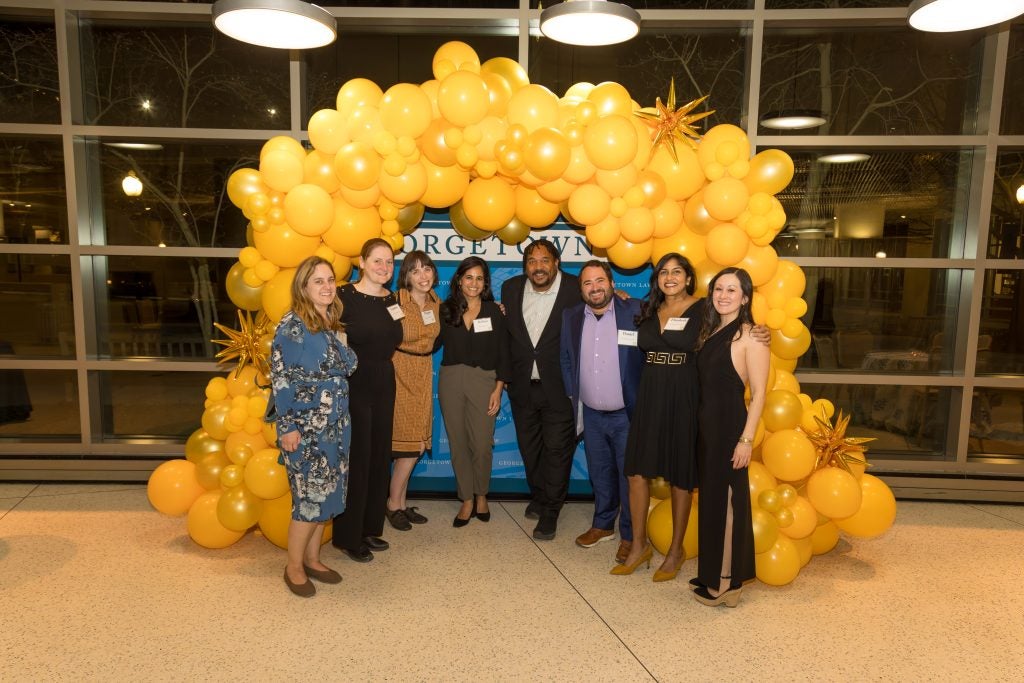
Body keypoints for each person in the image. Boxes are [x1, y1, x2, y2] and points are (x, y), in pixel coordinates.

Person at [269, 255, 357, 597]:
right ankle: (293, 567)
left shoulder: (330, 322)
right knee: (308, 499)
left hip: (335, 427)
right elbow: (281, 379)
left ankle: (313, 559)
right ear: (303, 287)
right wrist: (286, 427)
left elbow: (345, 366)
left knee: (328, 496)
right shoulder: (292, 326)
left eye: (330, 280)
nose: (326, 286)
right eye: (318, 280)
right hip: (305, 428)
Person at [614, 253, 705, 580]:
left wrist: (758, 332)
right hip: (650, 394)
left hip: (684, 395)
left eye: (677, 272)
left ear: (688, 277)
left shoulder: (705, 308)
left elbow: (734, 331)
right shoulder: (648, 309)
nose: (670, 277)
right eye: (664, 272)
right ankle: (639, 546)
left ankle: (675, 551)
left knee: (681, 474)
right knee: (636, 471)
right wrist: (619, 295)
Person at [692, 268, 768, 608]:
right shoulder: (714, 329)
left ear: (745, 297)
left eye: (732, 290)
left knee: (727, 504)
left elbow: (760, 394)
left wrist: (746, 440)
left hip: (729, 429)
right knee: (712, 501)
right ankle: (714, 571)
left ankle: (726, 583)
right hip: (708, 426)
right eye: (719, 289)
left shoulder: (751, 336)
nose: (724, 295)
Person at [560, 260, 643, 564]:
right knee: (600, 473)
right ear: (580, 288)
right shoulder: (571, 317)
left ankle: (631, 535)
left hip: (626, 414)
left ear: (610, 282)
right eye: (587, 283)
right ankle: (602, 524)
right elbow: (566, 359)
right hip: (591, 414)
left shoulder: (634, 310)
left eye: (599, 281)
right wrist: (574, 392)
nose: (594, 288)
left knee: (628, 477)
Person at [501, 239, 580, 540]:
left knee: (558, 450)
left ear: (556, 263)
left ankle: (550, 510)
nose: (538, 267)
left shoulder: (575, 289)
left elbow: (604, 301)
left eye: (544, 260)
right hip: (522, 386)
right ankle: (540, 493)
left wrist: (621, 296)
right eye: (532, 262)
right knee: (530, 449)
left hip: (561, 387)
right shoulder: (511, 288)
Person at [331, 238, 403, 563]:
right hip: (354, 382)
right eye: (377, 261)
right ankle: (348, 535)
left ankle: (371, 527)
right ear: (362, 261)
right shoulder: (342, 296)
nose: (384, 267)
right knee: (357, 459)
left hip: (384, 381)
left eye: (389, 262)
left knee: (378, 456)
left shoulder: (392, 299)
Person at [438, 256, 511, 527]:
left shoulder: (495, 311)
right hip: (451, 379)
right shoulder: (445, 310)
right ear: (459, 280)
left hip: (484, 381)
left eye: (479, 278)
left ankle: (482, 494)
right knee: (458, 444)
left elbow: (504, 351)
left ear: (485, 283)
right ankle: (467, 499)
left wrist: (498, 388)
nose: (474, 283)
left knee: (481, 444)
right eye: (469, 277)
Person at [386, 251, 441, 531]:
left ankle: (402, 504)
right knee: (408, 446)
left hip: (423, 374)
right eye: (415, 271)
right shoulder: (394, 301)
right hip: (398, 372)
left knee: (417, 443)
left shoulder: (435, 302)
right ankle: (393, 505)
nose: (423, 276)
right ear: (405, 276)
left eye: (427, 269)